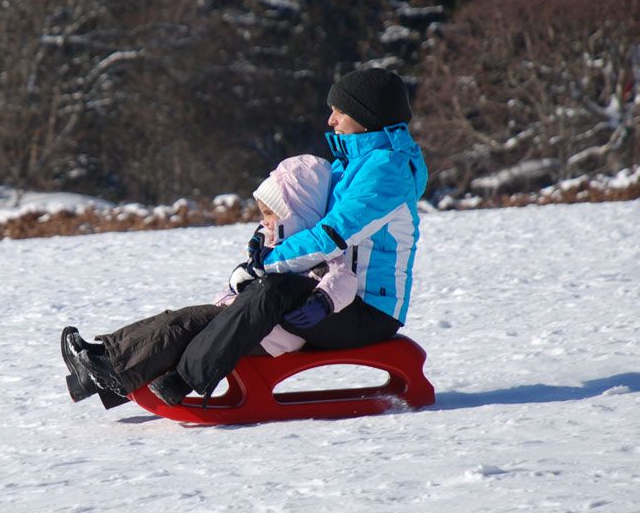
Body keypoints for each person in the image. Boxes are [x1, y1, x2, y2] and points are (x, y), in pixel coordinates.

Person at [66, 66, 428, 406]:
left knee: (270, 291)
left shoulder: (387, 172)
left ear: (367, 116)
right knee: (214, 316)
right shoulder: (349, 166)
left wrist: (265, 265)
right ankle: (106, 364)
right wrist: (263, 237)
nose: (330, 121)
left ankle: (180, 378)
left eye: (340, 112)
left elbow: (330, 236)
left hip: (365, 311)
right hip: (324, 291)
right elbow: (298, 214)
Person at [61, 154, 356, 408]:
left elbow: (343, 278)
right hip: (242, 320)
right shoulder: (273, 244)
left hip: (268, 331)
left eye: (270, 214)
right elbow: (248, 281)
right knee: (178, 320)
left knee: (185, 325)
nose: (265, 221)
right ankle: (98, 364)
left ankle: (112, 368)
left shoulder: (319, 249)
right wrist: (237, 283)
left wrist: (322, 301)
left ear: (298, 211)